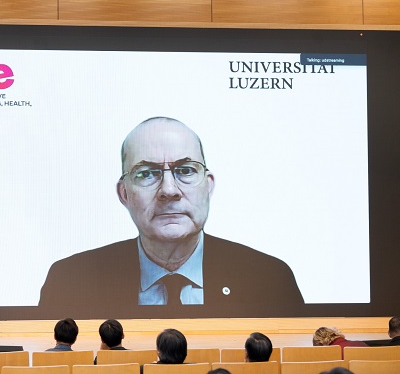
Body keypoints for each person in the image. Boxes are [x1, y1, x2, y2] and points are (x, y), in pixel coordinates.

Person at [39, 117, 304, 317]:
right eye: (146, 173)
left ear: (208, 185)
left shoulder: (269, 279)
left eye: (186, 170)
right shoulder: (70, 281)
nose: (169, 190)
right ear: (124, 193)